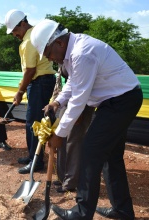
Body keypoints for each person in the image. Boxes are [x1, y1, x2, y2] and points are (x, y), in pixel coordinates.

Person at [30, 19, 143, 220]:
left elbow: (79, 101)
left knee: (90, 151)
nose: (49, 59)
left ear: (59, 43)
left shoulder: (82, 53)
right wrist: (57, 102)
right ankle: (123, 211)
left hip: (121, 101)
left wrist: (59, 134)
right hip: (118, 100)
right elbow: (73, 81)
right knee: (111, 157)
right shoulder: (72, 52)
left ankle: (82, 213)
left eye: (48, 54)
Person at [4, 10, 56, 174]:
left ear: (22, 23)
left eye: (14, 30)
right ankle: (33, 155)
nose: (14, 34)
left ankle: (36, 161)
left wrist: (20, 91)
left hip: (39, 83)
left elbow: (30, 70)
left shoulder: (28, 41)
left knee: (34, 123)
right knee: (33, 122)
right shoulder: (36, 34)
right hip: (43, 82)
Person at [53, 65, 95, 193]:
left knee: (74, 141)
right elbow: (70, 82)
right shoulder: (65, 58)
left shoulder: (80, 56)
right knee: (61, 138)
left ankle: (71, 182)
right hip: (69, 99)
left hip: (82, 101)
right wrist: (56, 102)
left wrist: (80, 111)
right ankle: (62, 177)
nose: (50, 59)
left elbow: (84, 88)